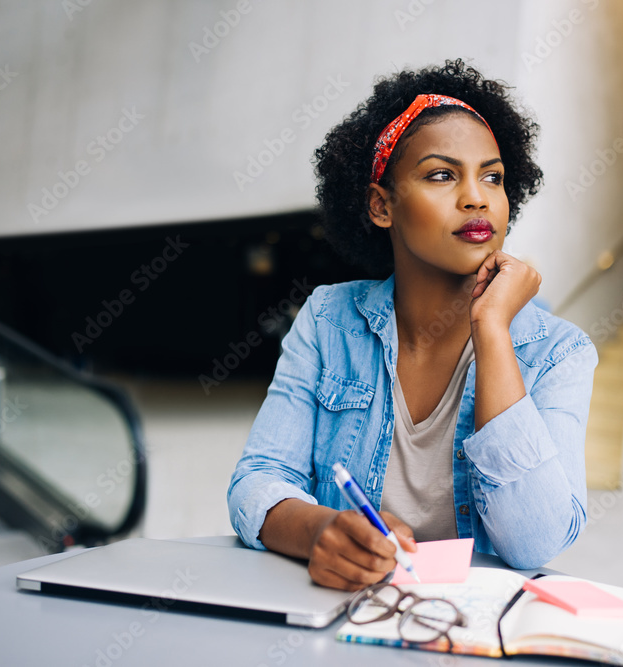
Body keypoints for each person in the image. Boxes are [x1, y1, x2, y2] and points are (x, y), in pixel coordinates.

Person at [227, 59, 598, 591]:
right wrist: (320, 530)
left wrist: (492, 331)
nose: (476, 197)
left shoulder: (560, 352)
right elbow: (257, 480)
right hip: (345, 616)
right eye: (442, 175)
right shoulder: (330, 320)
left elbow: (534, 542)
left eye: (491, 177)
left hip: (472, 630)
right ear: (382, 206)